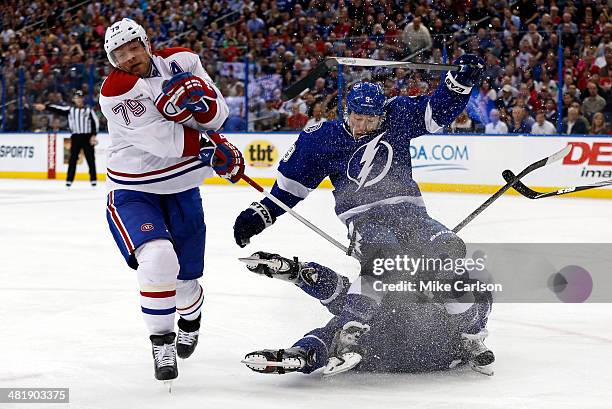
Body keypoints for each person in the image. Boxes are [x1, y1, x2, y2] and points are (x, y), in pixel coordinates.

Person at [234, 55, 495, 377]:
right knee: (385, 260)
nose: (362, 127)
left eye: (370, 121)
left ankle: (469, 334)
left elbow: (436, 112)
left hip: (411, 214)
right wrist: (258, 215)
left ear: (381, 115)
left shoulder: (398, 117)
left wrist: (460, 82)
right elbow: (291, 188)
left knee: (450, 251)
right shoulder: (321, 138)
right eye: (357, 118)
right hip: (365, 220)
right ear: (347, 111)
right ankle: (349, 329)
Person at [100, 18, 244, 385]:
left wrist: (205, 107)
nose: (129, 56)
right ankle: (160, 341)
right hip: (134, 189)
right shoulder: (116, 90)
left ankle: (191, 319)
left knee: (184, 284)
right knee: (158, 258)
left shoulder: (183, 61)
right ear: (111, 59)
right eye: (119, 52)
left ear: (146, 43)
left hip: (182, 189)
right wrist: (211, 147)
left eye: (133, 46)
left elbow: (219, 116)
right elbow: (165, 142)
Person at [35, 90, 99, 187]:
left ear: (83, 99)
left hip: (87, 137)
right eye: (77, 98)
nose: (79, 100)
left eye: (80, 98)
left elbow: (95, 122)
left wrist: (93, 135)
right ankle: (69, 180)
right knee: (72, 159)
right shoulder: (70, 110)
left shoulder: (89, 110)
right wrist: (45, 107)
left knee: (90, 159)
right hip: (76, 137)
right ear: (74, 99)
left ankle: (93, 180)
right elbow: (58, 109)